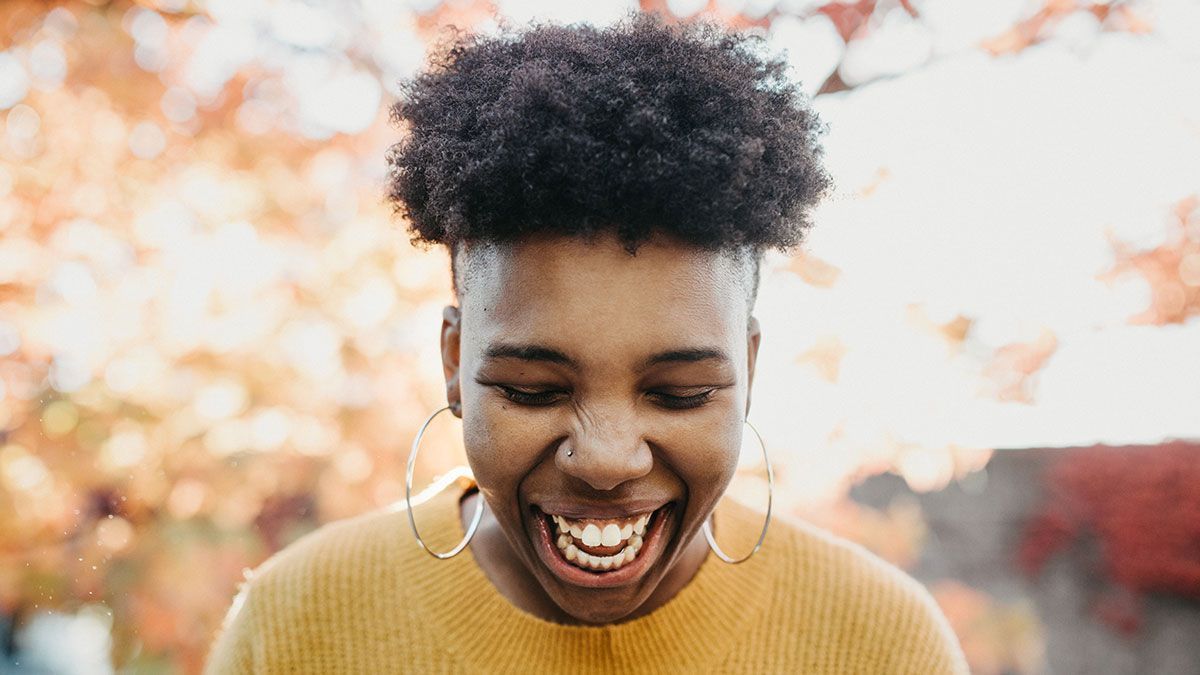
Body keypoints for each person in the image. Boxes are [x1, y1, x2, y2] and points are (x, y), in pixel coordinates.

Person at [204, 10, 968, 674]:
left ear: (751, 367)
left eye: (680, 393)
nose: (606, 459)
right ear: (452, 361)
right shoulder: (295, 625)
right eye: (533, 389)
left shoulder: (880, 643)